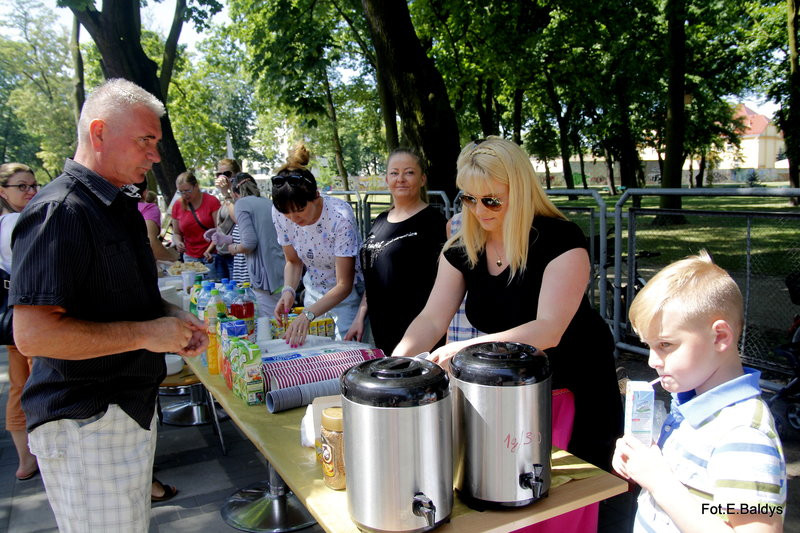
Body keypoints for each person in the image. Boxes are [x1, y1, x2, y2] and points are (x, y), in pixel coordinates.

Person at [10, 78, 208, 531]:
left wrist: (170, 317)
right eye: (146, 141)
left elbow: (121, 296)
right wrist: (145, 333)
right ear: (98, 133)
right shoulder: (60, 211)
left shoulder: (113, 205)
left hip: (116, 416)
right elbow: (34, 335)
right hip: (86, 422)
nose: (155, 155)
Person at [393, 136, 622, 471]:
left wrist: (466, 349)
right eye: (469, 199)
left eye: (492, 201)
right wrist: (397, 365)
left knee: (572, 492)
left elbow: (549, 329)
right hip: (514, 387)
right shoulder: (464, 246)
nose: (479, 210)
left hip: (576, 384)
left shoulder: (560, 239)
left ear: (521, 190)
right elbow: (431, 318)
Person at [612, 251, 786, 532]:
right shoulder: (692, 404)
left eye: (665, 345)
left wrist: (659, 481)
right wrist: (640, 463)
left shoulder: (742, 432)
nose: (652, 361)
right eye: (649, 346)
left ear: (720, 337)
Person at [345, 148, 446, 353]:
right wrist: (359, 317)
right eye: (394, 173)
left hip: (417, 331)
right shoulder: (381, 220)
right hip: (381, 329)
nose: (401, 179)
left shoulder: (434, 221)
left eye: (409, 172)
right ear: (386, 179)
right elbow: (374, 275)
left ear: (422, 179)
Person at [271, 144, 363, 346]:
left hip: (345, 298)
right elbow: (293, 262)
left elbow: (344, 285)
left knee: (344, 353)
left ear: (316, 196)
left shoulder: (340, 217)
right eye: (287, 212)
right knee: (313, 353)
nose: (293, 218)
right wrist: (288, 290)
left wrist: (308, 315)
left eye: (300, 209)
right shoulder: (280, 214)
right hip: (313, 292)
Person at [0, 162, 39, 481]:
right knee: (41, 382)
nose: (30, 191)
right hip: (33, 314)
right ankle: (37, 453)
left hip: (14, 314)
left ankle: (26, 460)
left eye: (32, 185)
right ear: (3, 191)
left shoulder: (5, 222)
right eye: (21, 186)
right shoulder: (17, 222)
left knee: (18, 387)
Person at [214, 172, 284, 316]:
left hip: (264, 277)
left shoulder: (241, 204)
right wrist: (229, 240)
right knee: (280, 316)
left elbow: (249, 243)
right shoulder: (268, 202)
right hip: (280, 271)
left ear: (235, 194)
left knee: (268, 321)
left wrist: (232, 248)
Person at [170, 171, 220, 274]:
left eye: (187, 190)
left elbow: (219, 231)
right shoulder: (177, 205)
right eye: (181, 192)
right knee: (192, 288)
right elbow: (176, 233)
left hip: (211, 255)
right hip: (190, 257)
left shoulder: (212, 201)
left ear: (196, 186)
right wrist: (178, 242)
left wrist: (209, 250)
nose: (185, 195)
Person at [135, 180, 179, 262]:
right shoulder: (149, 208)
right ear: (145, 193)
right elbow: (151, 242)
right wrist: (174, 259)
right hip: (142, 266)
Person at [212, 158, 240, 280]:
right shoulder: (226, 196)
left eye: (227, 174)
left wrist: (226, 194)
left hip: (233, 254)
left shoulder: (239, 195)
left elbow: (237, 218)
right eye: (219, 174)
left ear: (236, 175)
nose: (222, 178)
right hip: (221, 253)